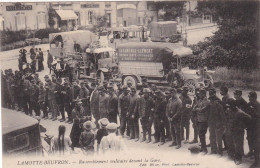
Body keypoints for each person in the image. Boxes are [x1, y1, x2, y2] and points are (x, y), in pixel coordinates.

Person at [225, 98, 251, 165]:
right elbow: (227, 118)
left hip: (238, 131)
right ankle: (232, 154)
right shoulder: (228, 110)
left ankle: (238, 158)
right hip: (231, 130)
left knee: (238, 145)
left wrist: (244, 125)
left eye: (230, 106)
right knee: (231, 142)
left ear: (233, 105)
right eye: (228, 106)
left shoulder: (239, 113)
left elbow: (249, 118)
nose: (228, 107)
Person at [208, 88, 225, 156]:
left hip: (218, 122)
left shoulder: (219, 103)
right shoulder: (210, 102)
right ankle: (213, 150)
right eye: (210, 93)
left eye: (212, 93)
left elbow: (222, 115)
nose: (210, 95)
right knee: (212, 136)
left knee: (218, 138)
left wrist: (222, 123)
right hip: (211, 122)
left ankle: (220, 152)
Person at [193, 88, 210, 153]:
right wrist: (198, 109)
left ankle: (205, 149)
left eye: (200, 94)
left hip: (204, 120)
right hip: (199, 119)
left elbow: (202, 110)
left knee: (202, 134)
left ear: (203, 94)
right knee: (200, 135)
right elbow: (194, 107)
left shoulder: (207, 101)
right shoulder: (199, 100)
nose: (199, 95)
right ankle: (202, 147)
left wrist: (197, 109)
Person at [247, 92, 260, 168]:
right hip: (250, 126)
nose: (249, 99)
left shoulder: (258, 105)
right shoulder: (249, 104)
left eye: (250, 97)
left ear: (254, 98)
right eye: (249, 97)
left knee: (256, 143)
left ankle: (257, 161)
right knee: (249, 139)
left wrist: (254, 112)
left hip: (257, 127)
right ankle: (251, 152)